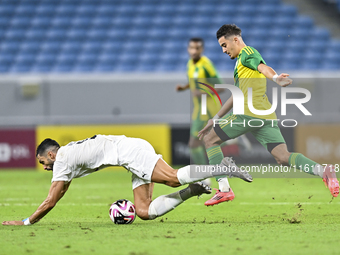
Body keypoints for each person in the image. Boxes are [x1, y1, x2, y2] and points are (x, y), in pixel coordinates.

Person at [198, 24, 339, 206]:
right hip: (265, 116)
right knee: (282, 156)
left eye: (224, 45)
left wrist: (275, 78)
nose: (224, 50)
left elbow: (263, 67)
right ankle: (323, 171)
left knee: (210, 140)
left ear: (235, 39)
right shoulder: (241, 62)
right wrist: (215, 118)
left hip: (247, 113)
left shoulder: (247, 53)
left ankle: (224, 190)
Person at [2, 134, 252, 226]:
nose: (44, 167)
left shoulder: (63, 158)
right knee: (144, 212)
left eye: (43, 162)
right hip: (129, 152)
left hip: (130, 152)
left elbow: (51, 200)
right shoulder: (67, 157)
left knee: (174, 178)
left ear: (51, 154)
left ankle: (220, 167)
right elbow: (61, 191)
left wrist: (26, 222)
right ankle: (195, 189)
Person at [176, 37, 251, 205]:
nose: (194, 51)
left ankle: (207, 177)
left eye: (197, 49)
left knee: (198, 143)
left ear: (201, 50)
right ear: (188, 49)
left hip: (208, 108)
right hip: (198, 109)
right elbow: (194, 82)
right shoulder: (190, 64)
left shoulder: (206, 64)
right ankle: (233, 142)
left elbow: (220, 85)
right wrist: (185, 87)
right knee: (198, 144)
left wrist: (202, 93)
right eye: (191, 48)